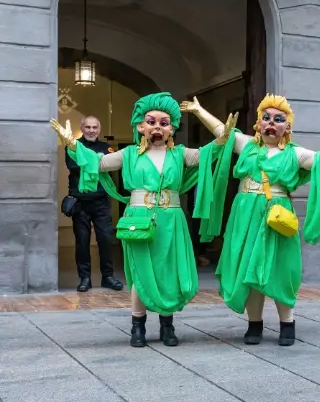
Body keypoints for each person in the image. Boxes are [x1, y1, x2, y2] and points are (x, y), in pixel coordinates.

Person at [182, 93, 320, 346]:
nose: (271, 123)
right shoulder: (246, 145)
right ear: (258, 123)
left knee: (281, 269)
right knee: (248, 269)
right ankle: (254, 324)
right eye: (266, 118)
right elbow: (221, 130)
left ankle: (287, 323)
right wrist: (198, 111)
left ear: (287, 127)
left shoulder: (296, 154)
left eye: (278, 119)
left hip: (276, 216)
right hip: (245, 215)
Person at [50, 92, 233, 347]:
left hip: (171, 221)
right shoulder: (128, 154)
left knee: (168, 272)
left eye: (164, 122)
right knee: (140, 273)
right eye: (151, 121)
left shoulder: (181, 154)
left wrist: (200, 112)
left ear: (172, 128)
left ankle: (167, 325)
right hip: (138, 219)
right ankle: (138, 326)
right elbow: (97, 163)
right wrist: (72, 143)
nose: (157, 127)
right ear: (140, 126)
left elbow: (217, 148)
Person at [64, 115, 123, 293]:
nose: (91, 130)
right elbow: (74, 166)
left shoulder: (106, 147)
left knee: (106, 240)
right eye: (88, 127)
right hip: (80, 203)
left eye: (95, 127)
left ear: (99, 129)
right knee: (82, 242)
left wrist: (88, 161)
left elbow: (111, 166)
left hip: (101, 202)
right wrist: (97, 161)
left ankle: (108, 277)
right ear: (82, 128)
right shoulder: (72, 146)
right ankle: (85, 278)